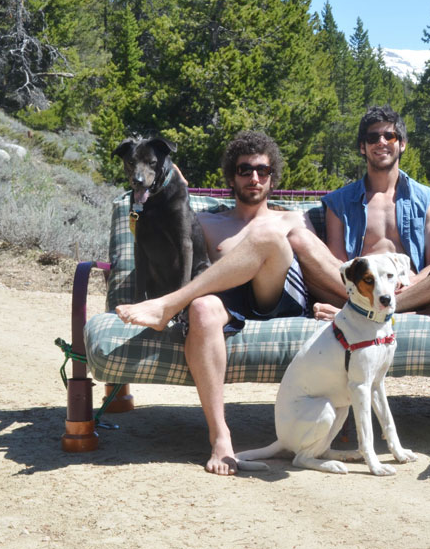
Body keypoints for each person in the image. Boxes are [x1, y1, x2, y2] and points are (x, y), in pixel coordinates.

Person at [115, 131, 314, 475]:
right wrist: (159, 176)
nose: (254, 177)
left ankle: (168, 305)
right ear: (231, 177)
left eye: (263, 170)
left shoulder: (293, 219)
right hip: (231, 299)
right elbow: (173, 219)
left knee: (266, 235)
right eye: (244, 170)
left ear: (273, 176)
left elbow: (327, 267)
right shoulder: (208, 220)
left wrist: (340, 305)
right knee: (202, 309)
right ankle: (220, 436)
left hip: (276, 296)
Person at [289, 105, 430, 319]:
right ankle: (378, 309)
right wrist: (371, 290)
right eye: (373, 137)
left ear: (402, 144)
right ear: (363, 147)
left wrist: (411, 283)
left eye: (389, 136)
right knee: (298, 237)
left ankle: (372, 313)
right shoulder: (339, 202)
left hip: (412, 290)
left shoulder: (428, 199)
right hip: (361, 290)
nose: (381, 142)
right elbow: (340, 267)